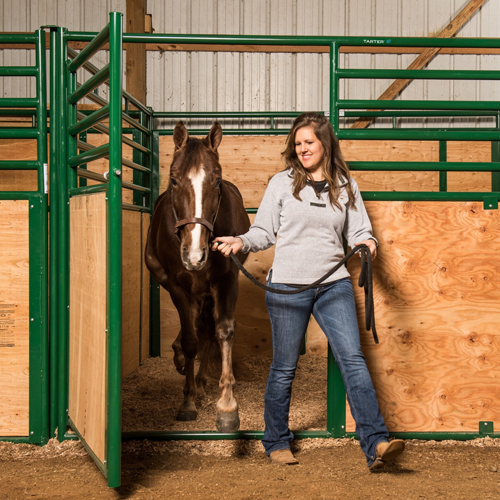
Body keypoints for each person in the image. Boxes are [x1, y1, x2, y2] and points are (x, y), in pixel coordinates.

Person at [212, 112, 404, 471]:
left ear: (324, 144)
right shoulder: (281, 184)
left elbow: (361, 230)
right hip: (287, 286)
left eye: (309, 142)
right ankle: (276, 441)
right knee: (284, 368)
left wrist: (368, 243)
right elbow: (264, 233)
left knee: (353, 360)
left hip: (333, 285)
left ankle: (376, 443)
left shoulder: (346, 185)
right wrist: (240, 241)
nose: (302, 149)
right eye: (298, 143)